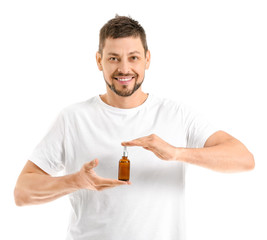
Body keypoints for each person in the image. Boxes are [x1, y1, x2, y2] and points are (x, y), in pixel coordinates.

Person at [14, 15, 255, 240]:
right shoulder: (73, 118)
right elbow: (22, 193)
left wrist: (176, 153)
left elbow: (243, 159)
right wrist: (76, 181)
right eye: (113, 58)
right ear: (99, 61)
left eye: (133, 57)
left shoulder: (177, 114)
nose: (124, 69)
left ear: (147, 59)